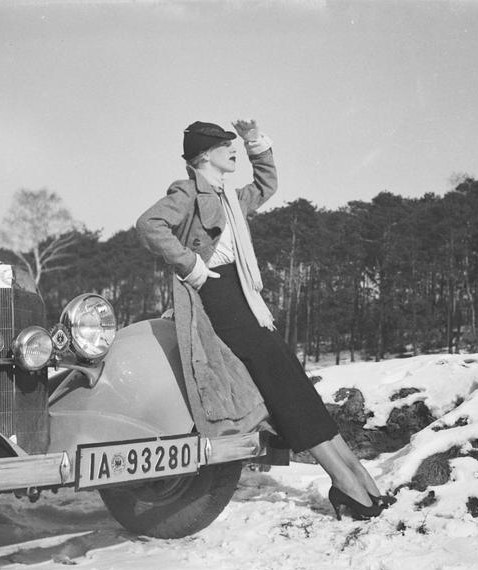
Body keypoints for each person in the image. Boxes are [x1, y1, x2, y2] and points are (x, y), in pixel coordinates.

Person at [136, 119, 393, 520]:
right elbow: (149, 225)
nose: (233, 150)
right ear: (205, 155)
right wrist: (191, 266)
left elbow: (266, 186)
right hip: (216, 299)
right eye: (228, 145)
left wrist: (257, 144)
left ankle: (357, 476)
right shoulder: (187, 191)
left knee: (290, 378)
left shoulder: (231, 197)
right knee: (280, 385)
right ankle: (345, 482)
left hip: (245, 299)